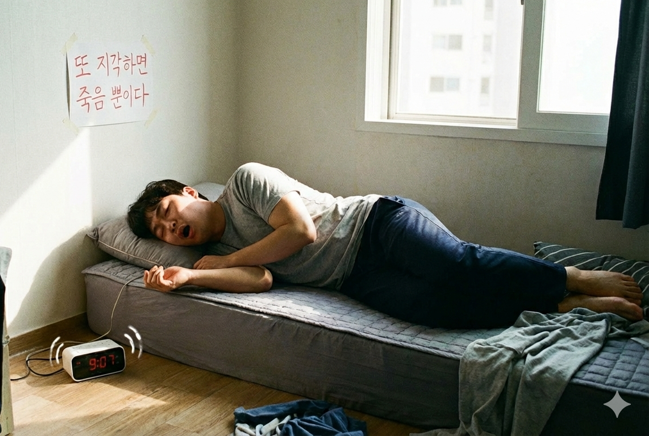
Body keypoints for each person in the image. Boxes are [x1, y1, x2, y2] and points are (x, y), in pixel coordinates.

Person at [127, 162, 644, 329]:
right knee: (431, 307)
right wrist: (191, 277)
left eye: (168, 212)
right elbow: (260, 280)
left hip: (375, 223)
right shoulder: (207, 259)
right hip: (353, 277)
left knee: (454, 265)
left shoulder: (244, 182)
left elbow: (301, 232)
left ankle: (571, 276)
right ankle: (561, 305)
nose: (170, 228)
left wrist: (226, 259)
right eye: (161, 231)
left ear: (190, 193)